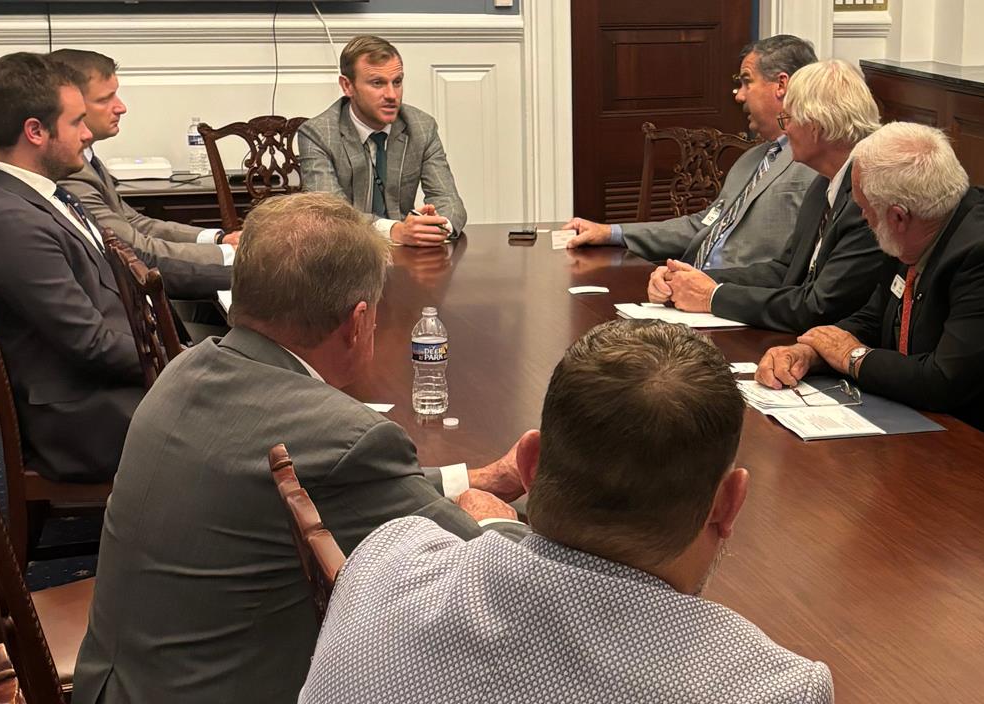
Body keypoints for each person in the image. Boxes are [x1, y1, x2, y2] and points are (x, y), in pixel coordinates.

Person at [72, 192, 527, 704]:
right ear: (357, 323)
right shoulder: (340, 436)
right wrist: (494, 518)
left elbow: (339, 483)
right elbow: (500, 581)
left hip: (115, 684)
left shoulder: (186, 369)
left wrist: (472, 479)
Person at [299, 320, 835, 704]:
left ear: (528, 465)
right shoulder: (774, 688)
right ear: (730, 502)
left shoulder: (383, 563)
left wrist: (497, 528)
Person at [0, 52, 227, 482]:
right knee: (261, 421)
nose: (87, 135)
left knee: (263, 392)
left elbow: (133, 269)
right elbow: (88, 344)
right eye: (75, 123)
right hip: (85, 416)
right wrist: (189, 361)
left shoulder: (42, 195)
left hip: (113, 382)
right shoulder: (11, 220)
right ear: (35, 131)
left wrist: (245, 276)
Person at [755, 122, 984, 454]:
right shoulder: (924, 223)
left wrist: (851, 356)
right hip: (918, 427)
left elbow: (943, 380)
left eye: (867, 211)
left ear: (898, 216)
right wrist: (813, 351)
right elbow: (874, 318)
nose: (864, 218)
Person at [648, 59, 890, 334]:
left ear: (816, 127)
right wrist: (690, 280)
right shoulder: (824, 183)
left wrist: (712, 297)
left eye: (788, 119)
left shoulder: (870, 196)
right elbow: (784, 270)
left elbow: (818, 307)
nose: (785, 130)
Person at [563, 34, 818, 268]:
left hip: (740, 300)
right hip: (689, 286)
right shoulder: (750, 159)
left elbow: (794, 269)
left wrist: (710, 289)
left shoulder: (814, 161)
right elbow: (703, 224)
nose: (739, 96)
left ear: (781, 85)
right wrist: (610, 233)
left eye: (746, 82)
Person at [51, 48, 238, 268]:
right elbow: (133, 247)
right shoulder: (70, 171)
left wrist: (219, 239)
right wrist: (232, 254)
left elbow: (135, 222)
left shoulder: (89, 158)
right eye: (105, 99)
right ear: (73, 105)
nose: (121, 107)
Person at [298, 34, 466, 247]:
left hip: (409, 257)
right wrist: (395, 230)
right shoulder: (318, 134)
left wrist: (435, 227)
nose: (391, 95)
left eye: (397, 82)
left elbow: (449, 201)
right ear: (347, 86)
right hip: (346, 259)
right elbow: (331, 216)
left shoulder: (421, 127)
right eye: (377, 83)